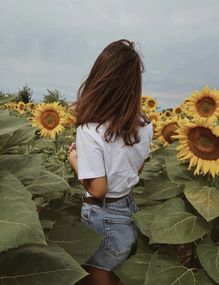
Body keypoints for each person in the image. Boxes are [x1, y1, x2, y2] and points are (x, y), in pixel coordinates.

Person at [68, 39, 153, 285]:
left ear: (99, 79)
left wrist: (75, 159)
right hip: (127, 209)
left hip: (102, 214)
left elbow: (98, 189)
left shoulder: (90, 130)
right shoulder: (144, 126)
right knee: (118, 270)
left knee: (97, 270)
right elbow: (138, 166)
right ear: (133, 85)